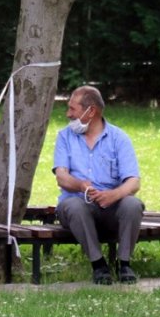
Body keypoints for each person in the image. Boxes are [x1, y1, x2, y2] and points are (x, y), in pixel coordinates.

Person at [53, 86, 143, 284]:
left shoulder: (119, 138)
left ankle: (125, 263)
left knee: (133, 204)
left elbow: (133, 181)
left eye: (72, 109)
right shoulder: (64, 137)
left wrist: (114, 195)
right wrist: (81, 186)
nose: (68, 114)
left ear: (90, 111)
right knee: (74, 206)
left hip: (111, 207)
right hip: (77, 204)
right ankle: (98, 265)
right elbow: (61, 177)